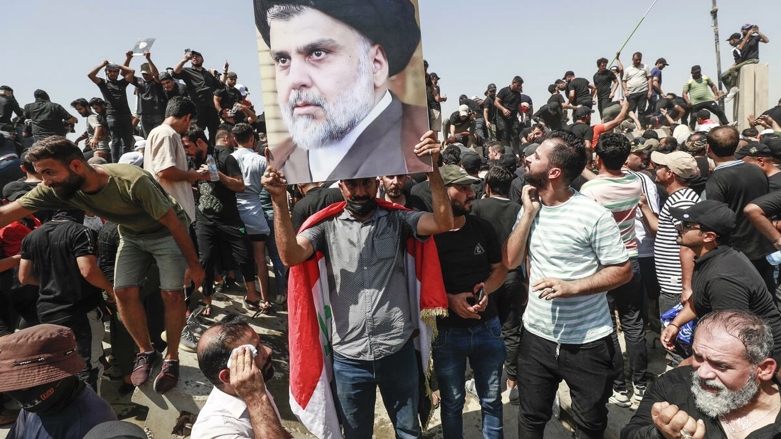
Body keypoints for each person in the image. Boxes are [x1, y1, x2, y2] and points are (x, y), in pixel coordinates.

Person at [262, 132, 452, 438]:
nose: (360, 191)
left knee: (408, 431)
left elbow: (443, 223)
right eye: (352, 184)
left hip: (397, 349)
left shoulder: (398, 221)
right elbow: (290, 256)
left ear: (376, 183)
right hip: (349, 359)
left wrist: (433, 171)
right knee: (355, 435)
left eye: (366, 183)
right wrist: (278, 201)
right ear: (340, 186)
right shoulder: (324, 227)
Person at [0, 136, 204, 394]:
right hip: (131, 233)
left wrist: (193, 263)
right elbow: (7, 213)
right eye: (41, 174)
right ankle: (146, 351)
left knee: (172, 294)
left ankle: (171, 357)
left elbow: (174, 222)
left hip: (165, 231)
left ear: (76, 166)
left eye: (50, 172)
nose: (45, 181)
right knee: (122, 292)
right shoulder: (55, 188)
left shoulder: (131, 180)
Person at [505, 131, 632, 438]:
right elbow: (510, 261)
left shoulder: (593, 215)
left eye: (536, 157)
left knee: (589, 422)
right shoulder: (529, 206)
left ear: (553, 172)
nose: (528, 158)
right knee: (531, 418)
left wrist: (571, 286)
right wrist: (528, 215)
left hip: (587, 342)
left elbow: (623, 270)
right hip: (536, 337)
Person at [254, 0, 430, 183]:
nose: (295, 80)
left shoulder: (420, 146)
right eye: (283, 60)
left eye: (317, 53)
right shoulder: (280, 161)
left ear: (375, 65)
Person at [431, 165, 508, 438]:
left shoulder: (482, 228)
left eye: (470, 187)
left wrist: (487, 289)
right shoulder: (428, 235)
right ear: (442, 192)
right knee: (452, 403)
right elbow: (419, 284)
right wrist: (448, 300)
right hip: (447, 333)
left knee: (492, 399)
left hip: (488, 328)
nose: (470, 193)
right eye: (461, 188)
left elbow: (500, 268)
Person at [622, 309, 781, 439]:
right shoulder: (672, 385)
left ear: (764, 369)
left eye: (721, 365)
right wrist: (659, 434)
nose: (702, 373)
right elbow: (630, 433)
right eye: (698, 357)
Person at [660, 200, 781, 366]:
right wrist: (676, 324)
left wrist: (691, 362)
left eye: (687, 225)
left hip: (758, 358)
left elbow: (732, 337)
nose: (679, 228)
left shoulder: (723, 279)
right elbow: (698, 299)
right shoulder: (710, 259)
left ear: (709, 236)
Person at [580, 133, 648, 406]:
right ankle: (640, 384)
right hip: (631, 259)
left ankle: (619, 388)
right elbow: (603, 179)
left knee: (607, 325)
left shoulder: (591, 192)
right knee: (634, 325)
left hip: (604, 264)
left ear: (598, 159)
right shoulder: (635, 181)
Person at [19, 210, 113, 390]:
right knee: (88, 366)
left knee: (60, 364)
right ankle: (93, 416)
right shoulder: (81, 232)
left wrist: (51, 282)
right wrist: (110, 289)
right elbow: (88, 270)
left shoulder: (32, 236)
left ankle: (69, 408)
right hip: (79, 312)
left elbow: (24, 276)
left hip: (47, 310)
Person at [0, 324, 117, 439]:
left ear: (59, 377)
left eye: (25, 382)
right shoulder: (40, 405)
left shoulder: (91, 425)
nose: (16, 391)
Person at [469, 166, 524, 404]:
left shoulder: (478, 208)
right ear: (511, 187)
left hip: (485, 279)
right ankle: (513, 384)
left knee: (482, 329)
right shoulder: (519, 210)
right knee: (512, 330)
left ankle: (483, 380)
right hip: (512, 277)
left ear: (487, 187)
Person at [192, 315, 291, 439]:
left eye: (260, 343)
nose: (269, 350)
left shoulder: (252, 382)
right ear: (228, 376)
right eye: (254, 351)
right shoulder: (216, 431)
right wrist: (256, 399)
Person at [705, 126, 775, 295]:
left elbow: (716, 220)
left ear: (708, 148)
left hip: (737, 254)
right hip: (763, 248)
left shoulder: (717, 179)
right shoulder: (756, 170)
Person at [145, 96, 201, 223]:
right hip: (172, 213)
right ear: (187, 117)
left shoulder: (164, 133)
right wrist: (190, 175)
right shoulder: (166, 134)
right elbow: (165, 171)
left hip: (170, 211)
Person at [87, 59, 136, 163]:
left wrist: (117, 65)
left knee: (127, 141)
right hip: (112, 115)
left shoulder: (121, 83)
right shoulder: (103, 83)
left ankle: (126, 162)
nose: (113, 73)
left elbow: (131, 71)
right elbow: (90, 75)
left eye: (115, 71)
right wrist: (102, 65)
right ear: (107, 72)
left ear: (118, 73)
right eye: (110, 71)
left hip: (125, 115)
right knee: (116, 140)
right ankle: (115, 162)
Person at [172, 50, 222, 143]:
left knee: (215, 131)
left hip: (211, 106)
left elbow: (220, 85)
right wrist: (183, 60)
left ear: (202, 59)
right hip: (197, 106)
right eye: (193, 56)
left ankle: (213, 152)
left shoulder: (207, 73)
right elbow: (175, 73)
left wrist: (224, 72)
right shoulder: (187, 71)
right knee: (196, 131)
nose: (195, 57)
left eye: (197, 56)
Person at [722, 24, 770, 95]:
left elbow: (766, 40)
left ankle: (733, 87)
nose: (748, 31)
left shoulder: (754, 38)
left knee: (733, 69)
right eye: (746, 29)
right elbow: (740, 48)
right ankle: (730, 89)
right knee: (725, 75)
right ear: (742, 31)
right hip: (745, 61)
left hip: (753, 59)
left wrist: (758, 32)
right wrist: (747, 36)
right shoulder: (739, 41)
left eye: (749, 29)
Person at [495, 76, 525, 156]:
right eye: (518, 85)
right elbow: (496, 102)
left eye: (520, 85)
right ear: (513, 83)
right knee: (504, 135)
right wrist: (503, 109)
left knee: (515, 134)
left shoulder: (518, 94)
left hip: (513, 117)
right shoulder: (504, 91)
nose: (519, 87)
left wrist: (521, 115)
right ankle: (507, 154)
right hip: (502, 117)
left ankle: (517, 154)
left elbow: (519, 105)